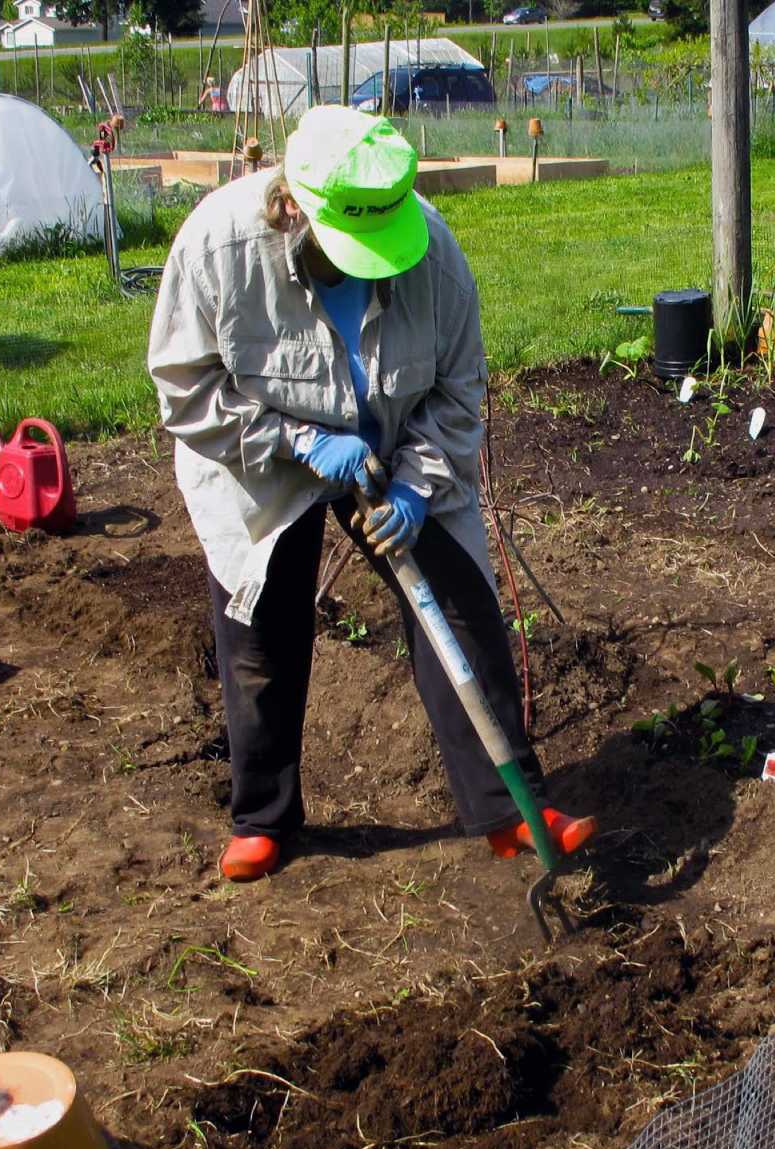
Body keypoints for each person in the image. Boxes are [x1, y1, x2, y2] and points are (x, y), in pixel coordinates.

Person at [147, 106, 595, 883]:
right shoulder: (218, 248)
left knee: (458, 606)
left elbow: (458, 394)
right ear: (292, 205)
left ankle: (513, 810)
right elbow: (185, 393)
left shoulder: (434, 256)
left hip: (392, 448)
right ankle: (264, 819)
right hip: (255, 455)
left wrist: (417, 489)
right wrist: (299, 440)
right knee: (262, 623)